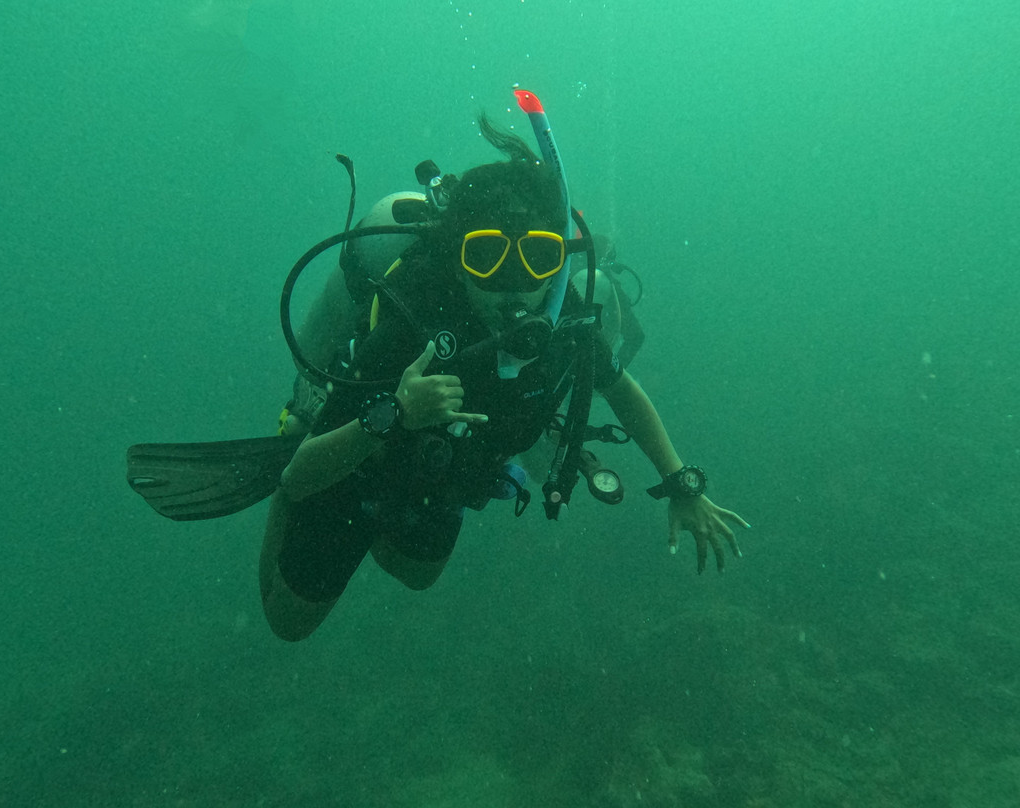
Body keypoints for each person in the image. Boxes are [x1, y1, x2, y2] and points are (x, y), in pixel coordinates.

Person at [258, 116, 749, 641]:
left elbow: (621, 389)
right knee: (290, 624)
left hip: (440, 477)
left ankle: (389, 517)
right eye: (487, 256)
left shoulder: (564, 316)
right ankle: (302, 496)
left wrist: (679, 481)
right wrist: (396, 414)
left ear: (557, 262)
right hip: (352, 471)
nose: (514, 284)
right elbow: (299, 475)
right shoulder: (413, 319)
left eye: (537, 257)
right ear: (457, 259)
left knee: (417, 575)